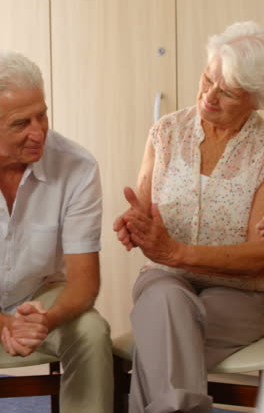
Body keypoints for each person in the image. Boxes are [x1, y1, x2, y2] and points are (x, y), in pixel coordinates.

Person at [114, 21, 264, 413]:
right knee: (165, 300)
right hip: (165, 281)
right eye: (207, 78)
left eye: (228, 91)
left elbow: (258, 256)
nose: (209, 96)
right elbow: (144, 210)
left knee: (160, 332)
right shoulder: (164, 132)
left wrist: (177, 252)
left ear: (256, 99)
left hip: (241, 295)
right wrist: (135, 224)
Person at [0, 52, 113, 413]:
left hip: (40, 296)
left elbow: (84, 283)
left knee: (92, 333)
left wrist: (43, 320)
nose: (39, 132)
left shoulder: (77, 166)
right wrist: (4, 323)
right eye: (21, 123)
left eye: (43, 114)